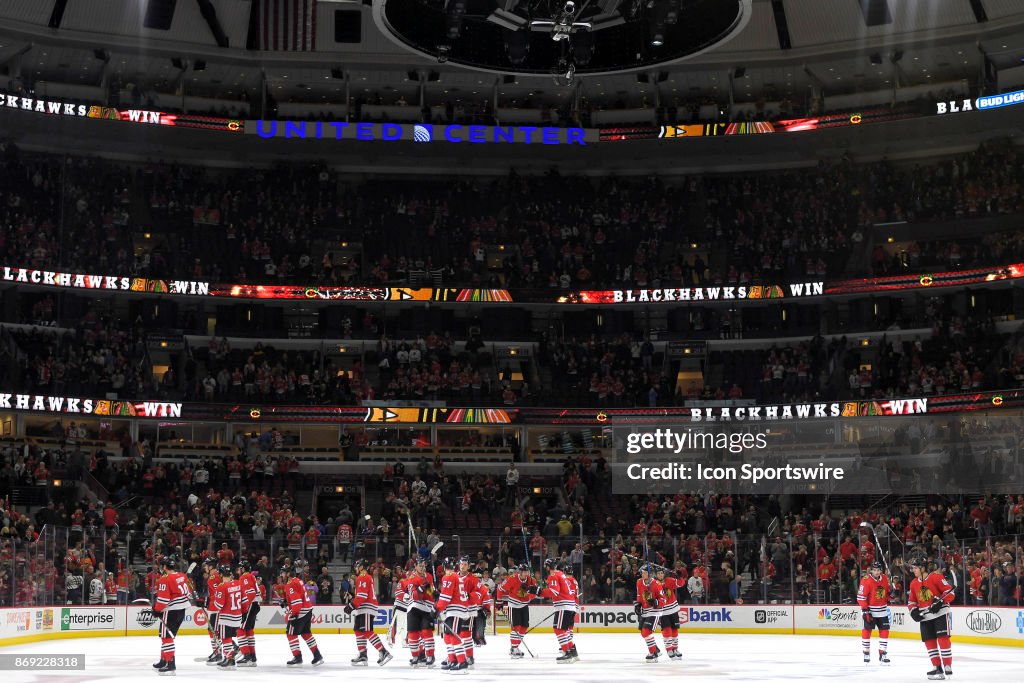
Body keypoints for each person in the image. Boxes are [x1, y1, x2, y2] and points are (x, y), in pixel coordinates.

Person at [908, 559, 955, 680]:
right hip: (925, 617)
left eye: (915, 568)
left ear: (923, 568)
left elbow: (950, 593)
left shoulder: (936, 577)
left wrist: (940, 601)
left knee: (943, 639)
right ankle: (937, 668)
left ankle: (947, 665)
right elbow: (912, 601)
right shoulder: (913, 583)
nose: (913, 570)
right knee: (929, 642)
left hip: (940, 613)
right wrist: (913, 610)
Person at [152, 555, 192, 676]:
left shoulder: (165, 579)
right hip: (182, 609)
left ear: (164, 567)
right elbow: (188, 593)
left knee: (166, 637)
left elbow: (163, 600)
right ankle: (163, 660)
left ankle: (170, 663)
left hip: (171, 611)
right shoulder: (182, 575)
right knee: (166, 635)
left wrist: (156, 610)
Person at [346, 559, 391, 666]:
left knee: (366, 631)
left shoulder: (363, 576)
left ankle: (383, 651)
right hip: (363, 607)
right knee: (358, 630)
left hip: (367, 607)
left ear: (361, 566)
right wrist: (353, 598)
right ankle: (362, 654)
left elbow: (362, 596)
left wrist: (352, 605)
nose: (355, 568)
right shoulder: (363, 577)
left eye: (357, 565)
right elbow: (362, 594)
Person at [435, 557, 471, 674]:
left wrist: (436, 607)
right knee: (447, 636)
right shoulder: (457, 576)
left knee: (454, 636)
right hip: (455, 609)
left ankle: (461, 663)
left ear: (444, 567)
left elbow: (446, 597)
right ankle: (452, 660)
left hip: (455, 610)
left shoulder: (448, 577)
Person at [283, 563, 324, 667]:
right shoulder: (298, 581)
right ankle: (317, 655)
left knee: (291, 634)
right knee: (306, 633)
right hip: (308, 609)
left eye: (283, 572)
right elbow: (298, 596)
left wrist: (294, 613)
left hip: (300, 612)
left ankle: (297, 657)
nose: (281, 574)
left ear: (288, 574)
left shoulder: (290, 584)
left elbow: (296, 602)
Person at [540, 558, 579, 663]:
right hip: (570, 605)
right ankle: (573, 652)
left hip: (564, 606)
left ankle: (567, 653)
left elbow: (554, 591)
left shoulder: (553, 575)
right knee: (565, 630)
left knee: (558, 629)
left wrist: (539, 591)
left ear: (547, 567)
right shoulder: (561, 573)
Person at [498, 563, 537, 658]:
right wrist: (499, 602)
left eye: (527, 571)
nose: (526, 573)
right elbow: (500, 588)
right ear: (520, 572)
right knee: (516, 627)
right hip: (514, 605)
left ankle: (515, 647)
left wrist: (528, 596)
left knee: (524, 627)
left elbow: (535, 592)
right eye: (524, 571)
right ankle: (514, 648)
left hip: (524, 605)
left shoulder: (532, 580)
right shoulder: (512, 579)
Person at [857, 561, 891, 665]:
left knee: (884, 631)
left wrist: (891, 593)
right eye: (874, 570)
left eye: (878, 570)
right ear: (871, 570)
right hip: (870, 611)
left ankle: (882, 653)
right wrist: (865, 609)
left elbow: (887, 594)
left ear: (881, 571)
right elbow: (860, 597)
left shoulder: (885, 578)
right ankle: (866, 653)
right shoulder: (866, 580)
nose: (876, 572)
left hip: (883, 611)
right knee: (867, 631)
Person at [405, 557, 437, 667]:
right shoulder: (411, 577)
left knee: (426, 632)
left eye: (423, 565)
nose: (422, 567)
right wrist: (420, 589)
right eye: (420, 565)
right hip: (414, 607)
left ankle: (429, 656)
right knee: (413, 634)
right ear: (416, 566)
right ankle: (415, 656)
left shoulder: (429, 577)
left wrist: (433, 593)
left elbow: (430, 594)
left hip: (427, 609)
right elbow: (413, 594)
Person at [212, 565, 243, 669]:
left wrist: (214, 599)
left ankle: (230, 660)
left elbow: (219, 606)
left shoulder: (222, 586)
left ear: (221, 574)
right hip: (237, 617)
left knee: (226, 639)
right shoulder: (238, 583)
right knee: (228, 638)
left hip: (226, 618)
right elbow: (245, 601)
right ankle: (227, 658)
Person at [235, 560, 262, 666]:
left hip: (250, 605)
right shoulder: (250, 576)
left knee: (241, 629)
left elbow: (250, 593)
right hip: (254, 605)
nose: (238, 571)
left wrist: (244, 608)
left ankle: (247, 656)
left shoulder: (245, 577)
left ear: (243, 568)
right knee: (249, 631)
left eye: (239, 568)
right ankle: (252, 657)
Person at [634, 564, 662, 662]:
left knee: (646, 631)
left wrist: (656, 602)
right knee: (643, 632)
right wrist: (638, 604)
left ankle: (653, 653)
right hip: (645, 611)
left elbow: (663, 599)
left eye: (645, 573)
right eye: (642, 573)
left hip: (655, 611)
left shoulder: (656, 584)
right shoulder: (639, 582)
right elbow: (639, 595)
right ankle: (656, 650)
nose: (643, 574)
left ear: (650, 574)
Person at [655, 567, 681, 660]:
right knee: (667, 631)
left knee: (675, 631)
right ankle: (669, 649)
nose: (661, 575)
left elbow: (680, 583)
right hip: (663, 611)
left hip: (673, 609)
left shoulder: (669, 580)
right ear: (656, 575)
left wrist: (680, 577)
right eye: (658, 573)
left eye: (662, 573)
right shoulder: (654, 584)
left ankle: (675, 649)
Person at [202, 559, 223, 664]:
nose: (205, 568)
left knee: (213, 631)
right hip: (216, 607)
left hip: (215, 608)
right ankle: (217, 651)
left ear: (211, 567)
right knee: (213, 630)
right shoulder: (217, 575)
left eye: (206, 566)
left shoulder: (213, 578)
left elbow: (217, 594)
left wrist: (207, 602)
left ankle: (218, 653)